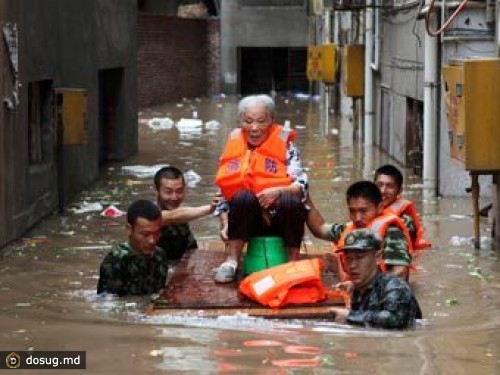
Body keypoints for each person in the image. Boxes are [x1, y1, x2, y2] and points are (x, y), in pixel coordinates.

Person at [214, 94, 309, 283]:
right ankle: (232, 261)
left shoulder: (287, 147)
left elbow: (302, 185)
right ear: (241, 121)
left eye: (261, 122)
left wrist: (278, 191)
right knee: (241, 197)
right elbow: (224, 194)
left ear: (272, 120)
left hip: (279, 219)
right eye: (248, 121)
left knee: (291, 200)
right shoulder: (233, 145)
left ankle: (293, 261)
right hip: (247, 222)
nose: (254, 128)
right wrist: (225, 224)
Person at [307, 180, 413, 281]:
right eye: (352, 211)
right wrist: (304, 196)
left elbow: (400, 272)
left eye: (363, 211)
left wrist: (368, 287)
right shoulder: (348, 231)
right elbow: (320, 229)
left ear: (380, 207)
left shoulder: (391, 232)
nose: (357, 218)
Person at [327, 229, 422, 329]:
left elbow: (396, 319)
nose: (352, 265)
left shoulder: (395, 287)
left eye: (359, 257)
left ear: (378, 258)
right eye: (348, 258)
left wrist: (350, 317)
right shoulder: (359, 289)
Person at [97, 200, 168, 296]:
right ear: (129, 229)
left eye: (156, 233)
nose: (152, 240)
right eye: (145, 234)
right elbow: (107, 303)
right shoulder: (115, 261)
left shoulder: (160, 256)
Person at [154, 166, 217, 263]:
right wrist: (210, 208)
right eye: (168, 192)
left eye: (179, 191)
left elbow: (192, 249)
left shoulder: (183, 216)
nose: (174, 197)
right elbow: (171, 216)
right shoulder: (149, 214)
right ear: (157, 191)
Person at [374, 164, 431, 250]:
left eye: (390, 186)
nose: (383, 191)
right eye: (379, 185)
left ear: (399, 190)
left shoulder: (403, 222)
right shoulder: (363, 210)